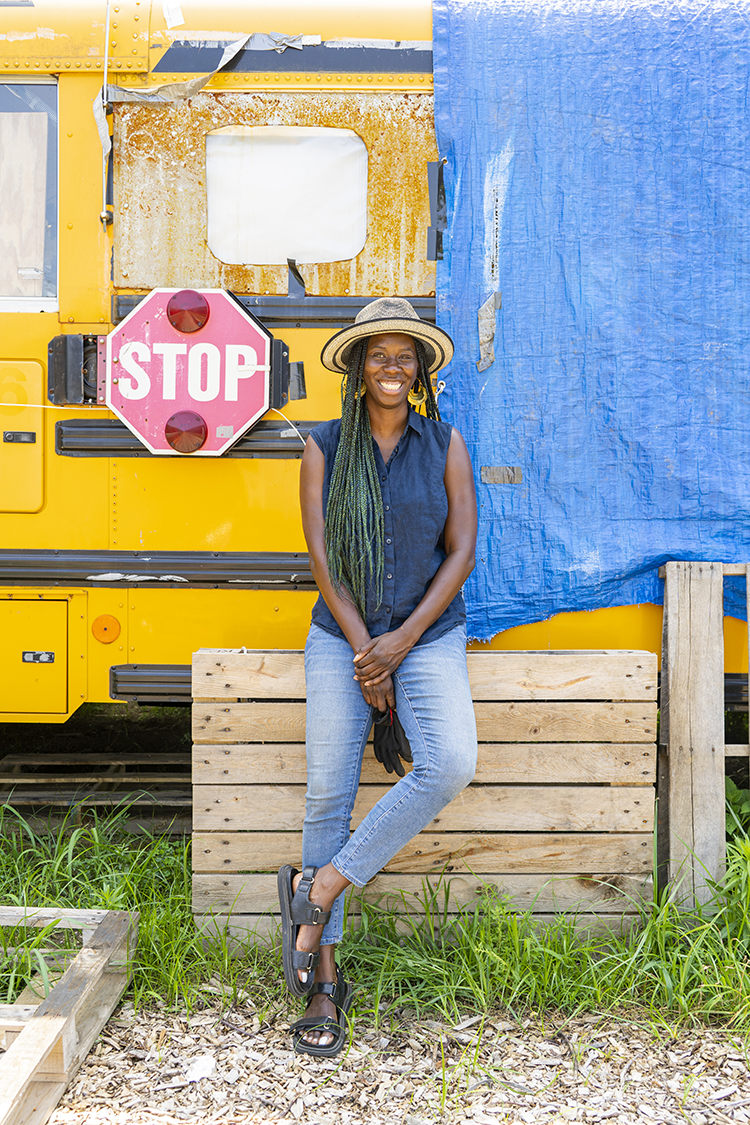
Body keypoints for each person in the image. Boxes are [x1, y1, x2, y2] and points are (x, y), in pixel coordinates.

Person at [277, 297, 478, 1057]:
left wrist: (402, 643)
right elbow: (323, 560)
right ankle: (324, 979)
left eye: (405, 357)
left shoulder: (447, 444)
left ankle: (322, 886)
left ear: (420, 371)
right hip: (345, 633)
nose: (391, 368)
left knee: (451, 759)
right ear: (359, 368)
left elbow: (459, 550)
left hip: (425, 634)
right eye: (378, 355)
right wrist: (368, 651)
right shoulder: (323, 446)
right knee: (328, 787)